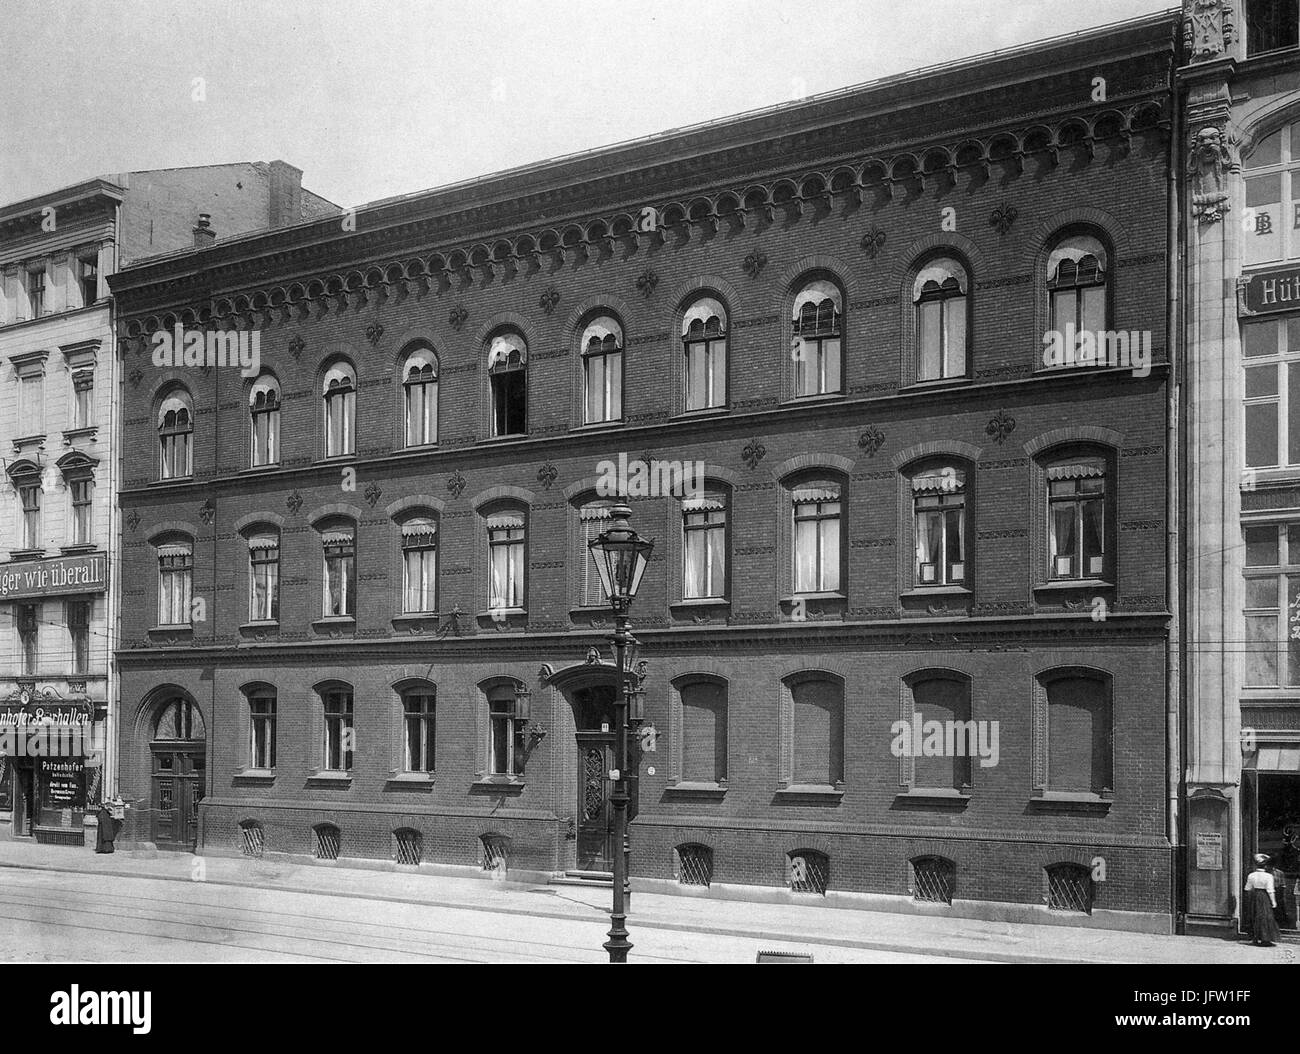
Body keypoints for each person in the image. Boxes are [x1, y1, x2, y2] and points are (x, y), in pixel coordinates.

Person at [1244, 854, 1281, 946]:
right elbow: (1270, 890)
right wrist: (1273, 901)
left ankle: (1255, 938)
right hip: (1264, 897)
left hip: (1254, 896)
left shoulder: (1251, 875)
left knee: (1255, 915)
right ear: (1266, 866)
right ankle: (1265, 939)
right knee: (1266, 916)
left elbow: (1247, 888)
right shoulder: (1268, 876)